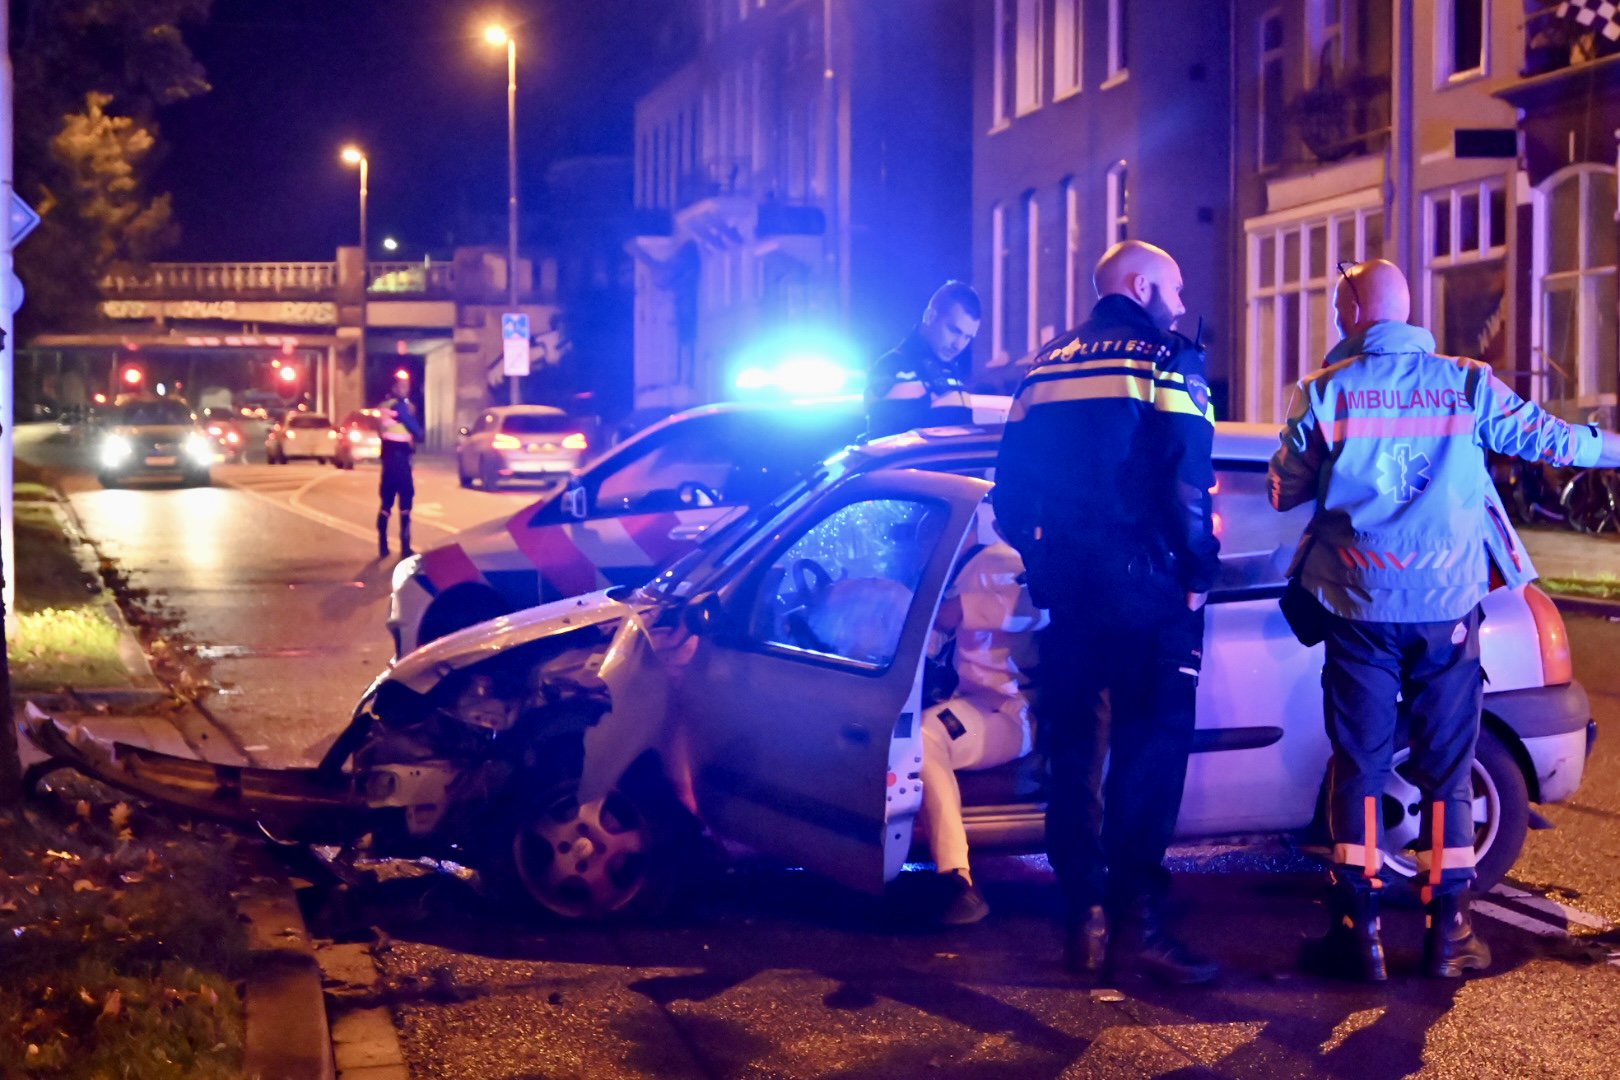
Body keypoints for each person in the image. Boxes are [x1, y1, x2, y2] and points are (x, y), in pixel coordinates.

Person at [1269, 259, 1620, 982]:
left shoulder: (1324, 394)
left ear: (1357, 314)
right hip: (1447, 610)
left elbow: (1281, 491)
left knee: (1360, 768)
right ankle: (1449, 931)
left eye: (1341, 307)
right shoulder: (1465, 383)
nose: (1338, 320)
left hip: (1359, 607)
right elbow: (1553, 441)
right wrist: (1610, 446)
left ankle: (1356, 932)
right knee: (1446, 768)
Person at [993, 240, 1221, 985]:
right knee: (1148, 755)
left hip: (1072, 593)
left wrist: (1046, 562)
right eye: (1176, 288)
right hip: (1150, 592)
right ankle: (1138, 928)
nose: (1182, 304)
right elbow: (1189, 484)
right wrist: (1196, 574)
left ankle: (1082, 921)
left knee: (1076, 759)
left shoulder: (1043, 368)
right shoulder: (1166, 360)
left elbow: (1009, 497)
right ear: (1141, 284)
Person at [919, 503, 1046, 925]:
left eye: (928, 526)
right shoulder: (968, 570)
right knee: (925, 731)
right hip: (975, 704)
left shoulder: (997, 563)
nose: (921, 538)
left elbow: (944, 617)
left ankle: (957, 878)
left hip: (1012, 712)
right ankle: (954, 876)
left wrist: (880, 601)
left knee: (924, 736)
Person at [866, 280, 982, 439]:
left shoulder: (948, 371)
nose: (959, 345)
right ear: (929, 316)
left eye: (968, 337)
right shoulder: (893, 367)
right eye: (954, 330)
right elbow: (889, 445)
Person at [376, 372, 425, 559]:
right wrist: (412, 417)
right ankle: (405, 546)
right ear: (395, 388)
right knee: (405, 502)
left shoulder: (383, 406)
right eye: (402, 386)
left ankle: (383, 545)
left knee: (385, 504)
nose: (406, 389)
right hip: (401, 461)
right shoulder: (400, 406)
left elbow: (381, 430)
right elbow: (417, 431)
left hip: (388, 460)